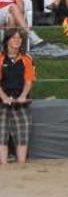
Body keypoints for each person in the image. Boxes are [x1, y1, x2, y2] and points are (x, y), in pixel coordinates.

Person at [1, 29, 34, 163]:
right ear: (7, 40)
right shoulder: (1, 57)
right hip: (2, 100)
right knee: (1, 132)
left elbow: (29, 80)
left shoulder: (27, 58)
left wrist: (23, 96)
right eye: (13, 38)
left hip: (21, 101)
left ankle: (21, 163)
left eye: (19, 38)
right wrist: (4, 97)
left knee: (23, 132)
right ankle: (3, 163)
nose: (17, 40)